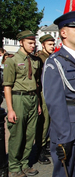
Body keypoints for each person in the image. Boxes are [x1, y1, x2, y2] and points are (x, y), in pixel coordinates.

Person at [43, 11, 75, 176]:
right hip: (68, 132)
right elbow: (55, 104)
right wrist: (64, 137)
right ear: (63, 33)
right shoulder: (54, 62)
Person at [3, 30, 42, 177]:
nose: (33, 45)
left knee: (30, 133)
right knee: (17, 134)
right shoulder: (11, 60)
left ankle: (25, 164)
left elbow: (37, 84)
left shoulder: (34, 60)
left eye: (34, 43)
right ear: (21, 42)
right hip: (18, 98)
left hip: (33, 98)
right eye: (30, 43)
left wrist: (38, 103)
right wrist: (10, 109)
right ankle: (14, 166)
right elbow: (7, 85)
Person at [35, 34, 55, 165]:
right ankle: (40, 150)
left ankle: (46, 145)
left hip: (52, 92)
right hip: (43, 92)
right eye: (50, 44)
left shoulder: (50, 57)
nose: (52, 47)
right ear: (43, 45)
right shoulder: (40, 58)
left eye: (53, 44)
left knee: (51, 121)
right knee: (44, 122)